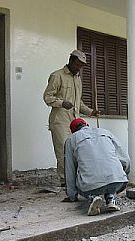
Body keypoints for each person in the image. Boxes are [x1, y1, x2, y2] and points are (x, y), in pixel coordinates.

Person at [43, 50, 99, 187]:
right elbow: (47, 97)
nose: (79, 67)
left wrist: (91, 112)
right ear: (71, 60)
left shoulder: (77, 79)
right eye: (78, 64)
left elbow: (77, 103)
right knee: (63, 151)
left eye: (82, 66)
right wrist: (62, 103)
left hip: (75, 122)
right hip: (60, 121)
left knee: (77, 150)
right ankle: (64, 181)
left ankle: (75, 179)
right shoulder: (57, 76)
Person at [63, 118, 130, 216]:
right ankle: (110, 198)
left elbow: (70, 170)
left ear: (73, 131)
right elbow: (125, 159)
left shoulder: (71, 139)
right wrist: (123, 173)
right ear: (87, 124)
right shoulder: (106, 132)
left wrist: (72, 195)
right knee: (109, 182)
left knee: (81, 177)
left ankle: (93, 198)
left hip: (91, 186)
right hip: (117, 181)